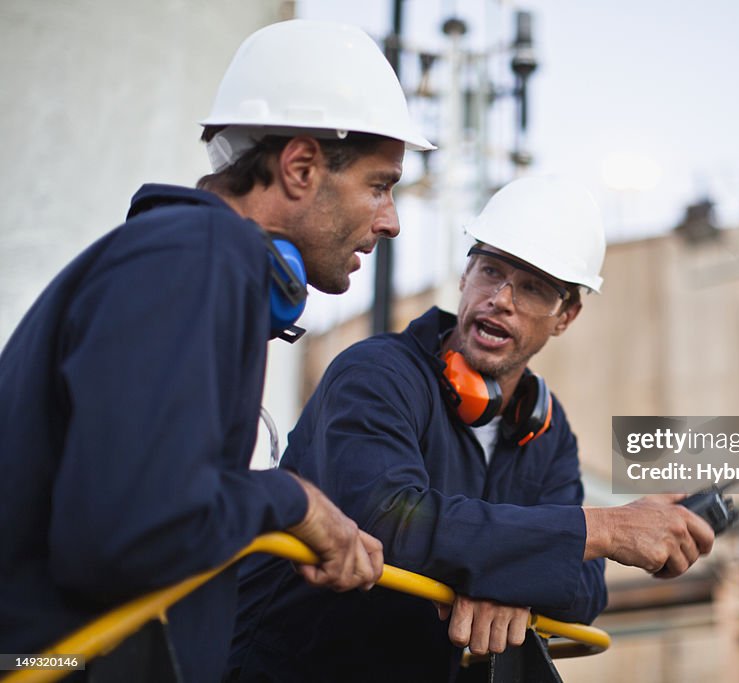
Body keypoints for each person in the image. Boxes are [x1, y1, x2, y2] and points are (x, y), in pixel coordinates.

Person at [0, 19, 433, 682]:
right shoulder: (202, 255)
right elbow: (130, 534)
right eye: (380, 185)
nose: (392, 219)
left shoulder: (184, 259)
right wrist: (293, 501)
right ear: (300, 166)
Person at [227, 176, 716, 682]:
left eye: (533, 288)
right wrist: (605, 530)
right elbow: (388, 520)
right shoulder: (376, 374)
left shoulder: (548, 434)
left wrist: (498, 572)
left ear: (565, 315)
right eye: (490, 270)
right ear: (465, 277)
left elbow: (587, 591)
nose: (501, 299)